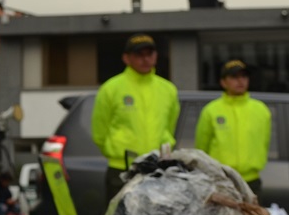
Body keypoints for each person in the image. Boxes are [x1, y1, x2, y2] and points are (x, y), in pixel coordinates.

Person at [91, 34, 180, 205]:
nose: (145, 59)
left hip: (157, 169)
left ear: (156, 56)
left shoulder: (168, 89)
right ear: (126, 58)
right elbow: (99, 131)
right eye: (139, 54)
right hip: (122, 169)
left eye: (150, 54)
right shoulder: (111, 88)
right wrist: (114, 151)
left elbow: (170, 125)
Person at [194, 59, 272, 197]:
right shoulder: (211, 110)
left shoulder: (261, 110)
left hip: (251, 181)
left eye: (243, 76)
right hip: (221, 181)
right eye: (234, 77)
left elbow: (264, 142)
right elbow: (202, 147)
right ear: (223, 82)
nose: (240, 81)